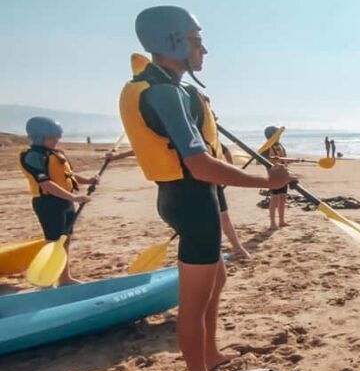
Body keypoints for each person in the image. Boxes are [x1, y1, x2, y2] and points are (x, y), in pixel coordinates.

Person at [119, 6, 293, 371]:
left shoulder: (170, 88)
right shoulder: (164, 92)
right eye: (198, 41)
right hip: (190, 200)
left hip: (194, 198)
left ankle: (210, 354)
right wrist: (268, 183)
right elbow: (199, 165)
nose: (205, 50)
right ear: (173, 41)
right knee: (193, 302)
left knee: (218, 279)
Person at [107, 146, 251, 259]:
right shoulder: (184, 136)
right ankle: (215, 251)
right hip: (190, 187)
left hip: (213, 182)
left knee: (223, 218)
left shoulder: (209, 135)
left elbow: (225, 152)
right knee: (202, 224)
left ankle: (237, 246)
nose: (213, 117)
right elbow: (141, 149)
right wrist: (116, 156)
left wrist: (231, 170)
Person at [18, 117, 96, 286]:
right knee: (54, 242)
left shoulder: (55, 154)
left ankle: (64, 278)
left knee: (65, 240)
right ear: (38, 137)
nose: (56, 141)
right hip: (48, 203)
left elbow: (69, 176)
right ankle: (47, 280)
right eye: (52, 138)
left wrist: (88, 180)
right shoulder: (32, 156)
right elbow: (46, 183)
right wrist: (74, 197)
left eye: (57, 137)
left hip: (65, 202)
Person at [261, 126, 289, 229]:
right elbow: (266, 163)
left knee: (283, 198)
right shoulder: (267, 148)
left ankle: (281, 221)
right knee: (274, 199)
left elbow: (284, 159)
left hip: (284, 174)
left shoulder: (279, 145)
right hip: (274, 176)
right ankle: (272, 222)